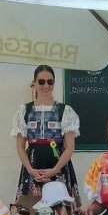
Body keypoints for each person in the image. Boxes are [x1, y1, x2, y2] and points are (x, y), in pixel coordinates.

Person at [11, 64, 80, 201]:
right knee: (31, 209)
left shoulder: (65, 111)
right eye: (41, 81)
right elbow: (20, 146)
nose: (46, 85)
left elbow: (70, 147)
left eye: (50, 81)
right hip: (32, 166)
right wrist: (30, 170)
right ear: (34, 83)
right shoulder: (24, 111)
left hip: (59, 166)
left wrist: (55, 170)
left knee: (60, 210)